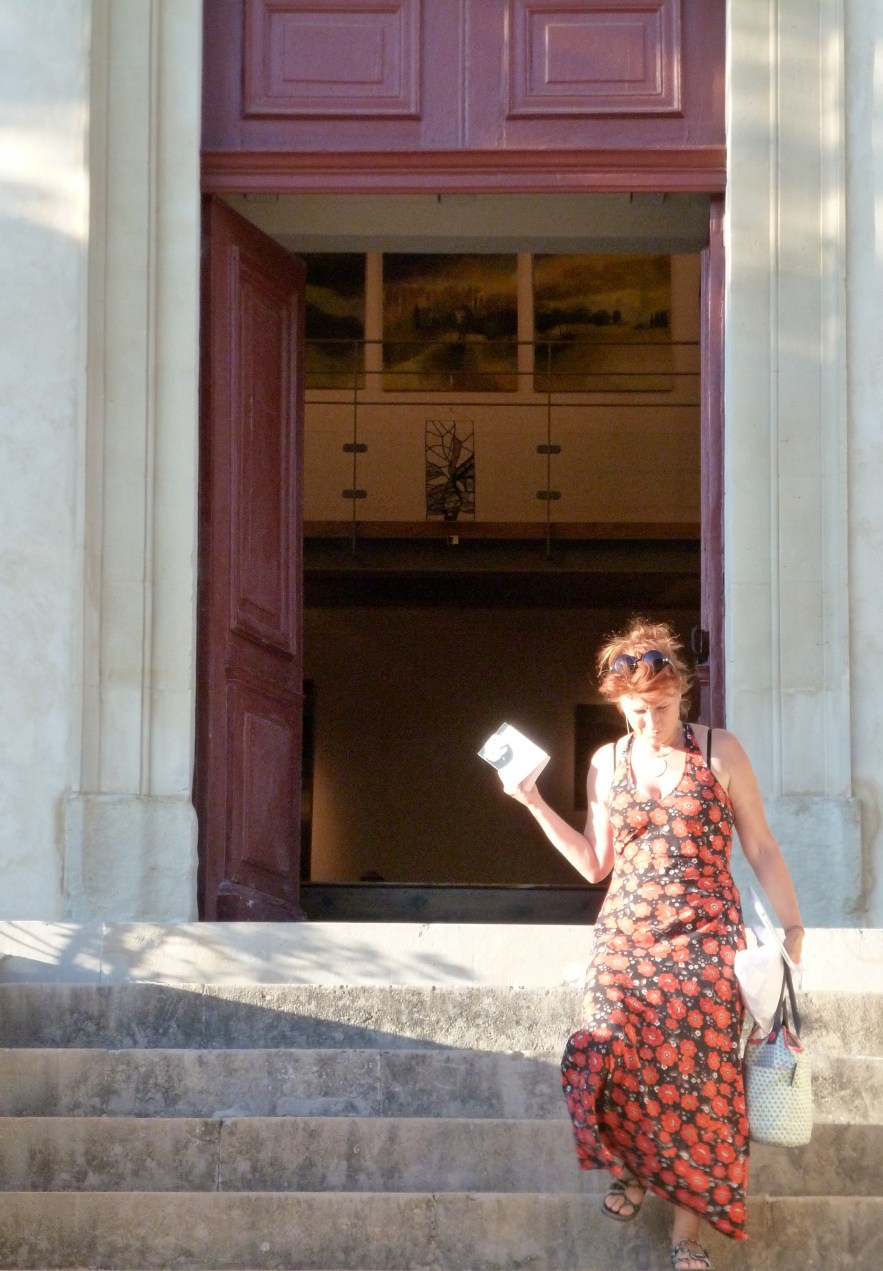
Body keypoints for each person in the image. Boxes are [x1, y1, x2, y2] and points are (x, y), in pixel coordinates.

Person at [503, 619, 804, 1271]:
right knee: (600, 1044)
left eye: (660, 709)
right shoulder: (604, 761)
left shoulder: (718, 751)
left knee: (699, 1077)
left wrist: (794, 926)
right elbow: (592, 863)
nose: (649, 722)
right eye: (635, 711)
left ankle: (684, 1236)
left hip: (705, 930)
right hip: (628, 932)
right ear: (618, 704)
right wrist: (530, 799)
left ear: (683, 696)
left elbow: (758, 845)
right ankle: (633, 1164)